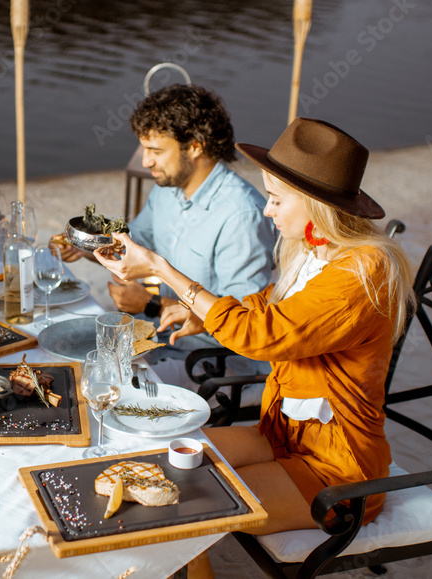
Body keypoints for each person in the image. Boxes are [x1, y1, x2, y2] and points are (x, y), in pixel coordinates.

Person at [96, 118, 414, 552]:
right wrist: (201, 314)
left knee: (177, 508)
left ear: (315, 204)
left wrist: (161, 269)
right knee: (158, 464)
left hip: (338, 473)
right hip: (279, 434)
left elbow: (262, 336)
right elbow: (265, 305)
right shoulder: (313, 252)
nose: (267, 210)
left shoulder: (361, 273)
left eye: (276, 199)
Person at [61, 84, 276, 389]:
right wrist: (87, 243)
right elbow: (137, 245)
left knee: (103, 385)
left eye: (156, 151)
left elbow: (242, 323)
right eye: (144, 149)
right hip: (159, 342)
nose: (146, 162)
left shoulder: (242, 214)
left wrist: (152, 305)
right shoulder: (169, 191)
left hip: (211, 363)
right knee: (73, 363)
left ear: (196, 146)